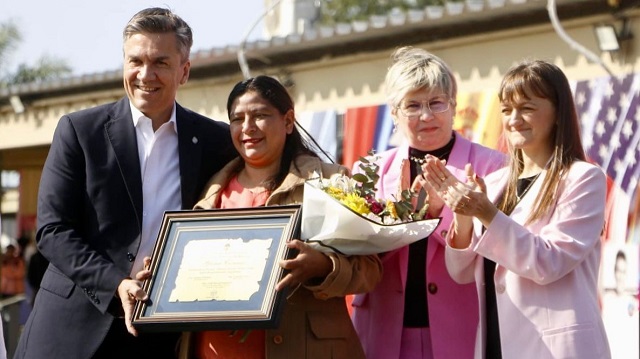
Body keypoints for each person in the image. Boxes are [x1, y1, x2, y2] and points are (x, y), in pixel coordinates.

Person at [14, 7, 237, 359]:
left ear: (185, 71)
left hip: (158, 333)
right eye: (135, 61)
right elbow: (53, 231)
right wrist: (116, 284)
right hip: (71, 331)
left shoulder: (214, 141)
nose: (145, 74)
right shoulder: (79, 131)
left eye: (161, 62)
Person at [421, 60, 612, 358]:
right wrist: (462, 213)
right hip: (496, 345)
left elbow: (547, 262)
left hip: (555, 349)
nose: (514, 119)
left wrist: (485, 212)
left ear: (558, 112)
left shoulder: (583, 178)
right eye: (507, 110)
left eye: (527, 108)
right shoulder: (495, 183)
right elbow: (460, 272)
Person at [182, 75, 382, 359]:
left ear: (288, 121)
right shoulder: (210, 192)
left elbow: (370, 270)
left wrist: (324, 267)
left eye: (260, 115)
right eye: (237, 119)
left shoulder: (330, 181)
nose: (247, 127)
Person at [350, 46, 505, 359]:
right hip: (383, 328)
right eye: (412, 106)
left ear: (453, 106)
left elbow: (499, 248)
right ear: (394, 113)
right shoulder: (370, 171)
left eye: (436, 102)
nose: (426, 115)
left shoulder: (492, 166)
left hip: (462, 328)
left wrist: (436, 217)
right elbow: (358, 252)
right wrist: (408, 218)